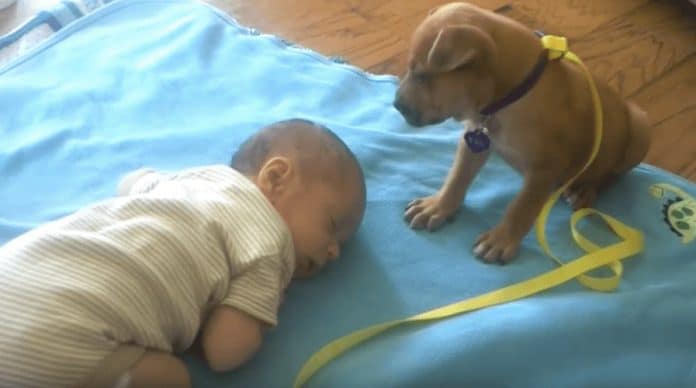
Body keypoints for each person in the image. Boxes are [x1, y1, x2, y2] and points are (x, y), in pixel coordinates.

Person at [0, 118, 366, 388]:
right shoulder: (269, 245)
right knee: (173, 377)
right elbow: (224, 352)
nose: (334, 251)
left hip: (14, 273)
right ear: (275, 179)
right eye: (332, 225)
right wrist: (265, 311)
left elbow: (131, 183)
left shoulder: (194, 179)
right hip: (61, 342)